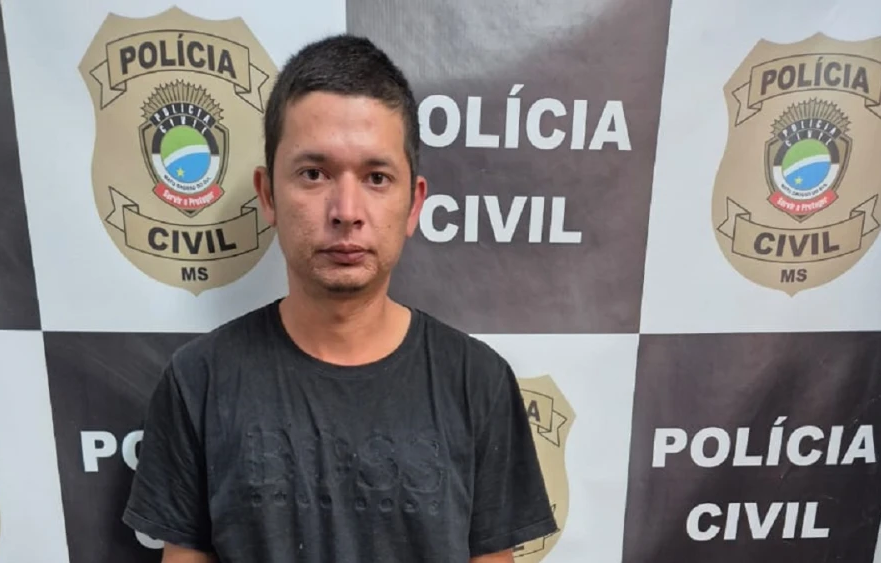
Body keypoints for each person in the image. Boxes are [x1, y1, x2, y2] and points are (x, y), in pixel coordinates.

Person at [122, 33, 556, 563]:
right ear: (268, 194)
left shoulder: (478, 382)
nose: (346, 211)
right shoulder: (198, 381)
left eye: (376, 177)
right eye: (314, 174)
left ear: (413, 203)